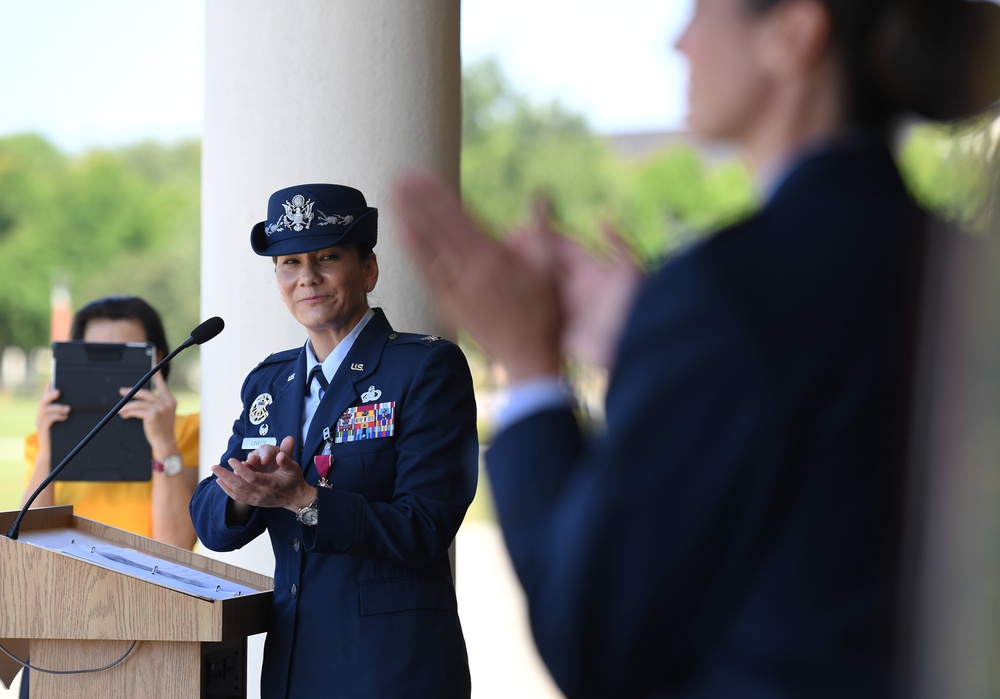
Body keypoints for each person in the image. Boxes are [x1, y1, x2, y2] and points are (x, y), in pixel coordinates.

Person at [391, 0, 1000, 697]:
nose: (679, 41)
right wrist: (647, 338)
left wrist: (530, 366)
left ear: (796, 33)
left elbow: (591, 636)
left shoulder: (729, 291)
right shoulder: (956, 264)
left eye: (704, 9)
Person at [189, 183, 478, 698]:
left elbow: (426, 527)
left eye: (327, 258)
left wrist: (304, 501)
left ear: (367, 269)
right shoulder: (270, 382)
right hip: (295, 664)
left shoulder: (425, 369)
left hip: (393, 667)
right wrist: (244, 490)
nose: (307, 279)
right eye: (289, 263)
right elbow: (211, 524)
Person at [22, 295, 200, 549]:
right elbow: (28, 543)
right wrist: (50, 451)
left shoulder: (186, 433)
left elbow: (175, 546)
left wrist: (164, 445)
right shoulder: (41, 441)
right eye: (97, 355)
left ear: (157, 359)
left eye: (123, 355)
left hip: (146, 582)